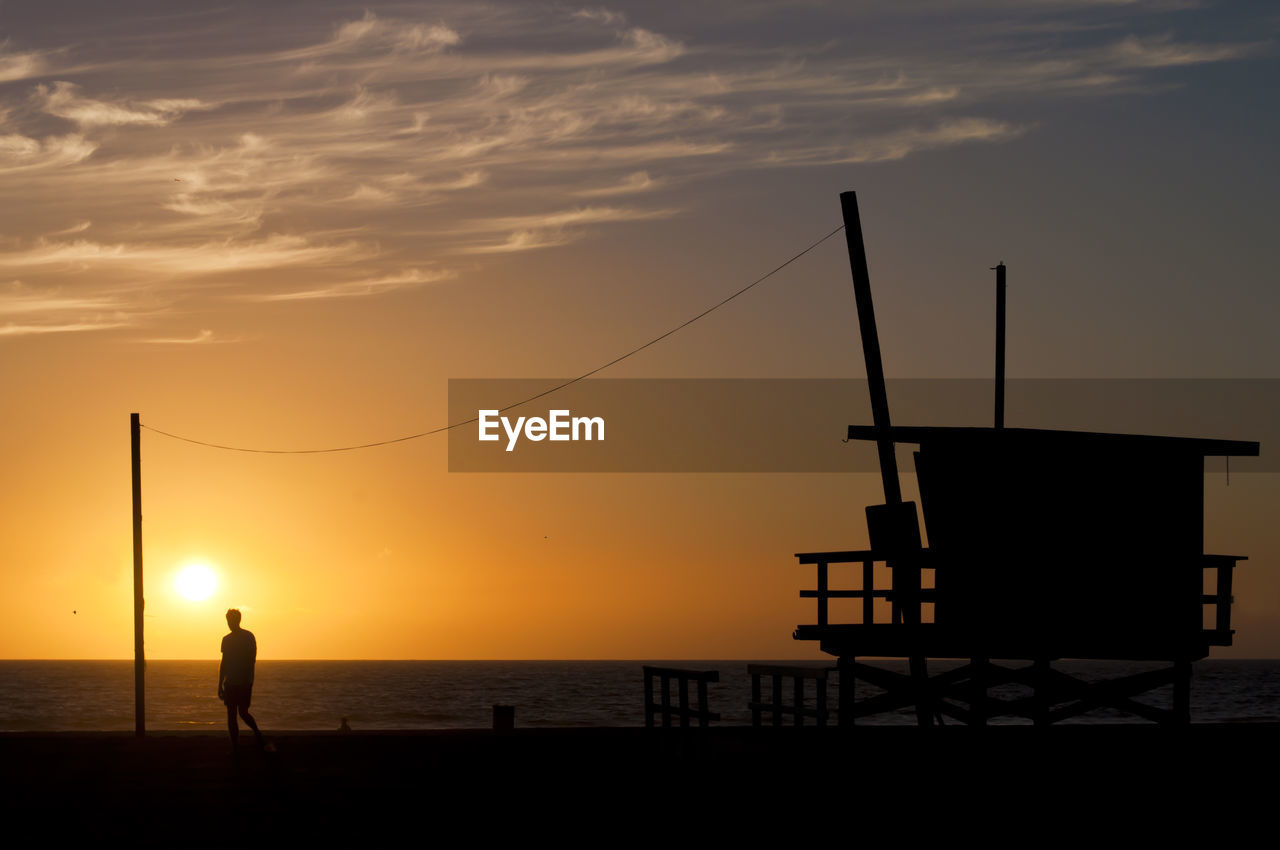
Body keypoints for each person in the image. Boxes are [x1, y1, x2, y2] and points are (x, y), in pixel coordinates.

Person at [219, 608, 264, 754]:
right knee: (231, 714)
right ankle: (235, 746)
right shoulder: (226, 639)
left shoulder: (248, 637)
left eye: (231, 620)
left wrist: (247, 679)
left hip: (244, 681)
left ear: (238, 620)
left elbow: (251, 660)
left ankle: (257, 733)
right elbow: (224, 662)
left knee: (243, 712)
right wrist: (220, 684)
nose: (229, 623)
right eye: (228, 621)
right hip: (230, 682)